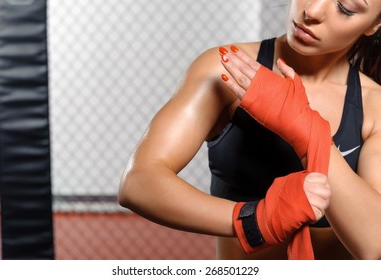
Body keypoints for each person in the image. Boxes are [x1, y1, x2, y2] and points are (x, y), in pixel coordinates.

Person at [118, 0, 381, 260]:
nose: (311, 11)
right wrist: (254, 220)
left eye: (345, 8)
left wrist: (307, 129)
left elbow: (374, 244)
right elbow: (138, 182)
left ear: (374, 24)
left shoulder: (374, 106)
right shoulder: (228, 69)